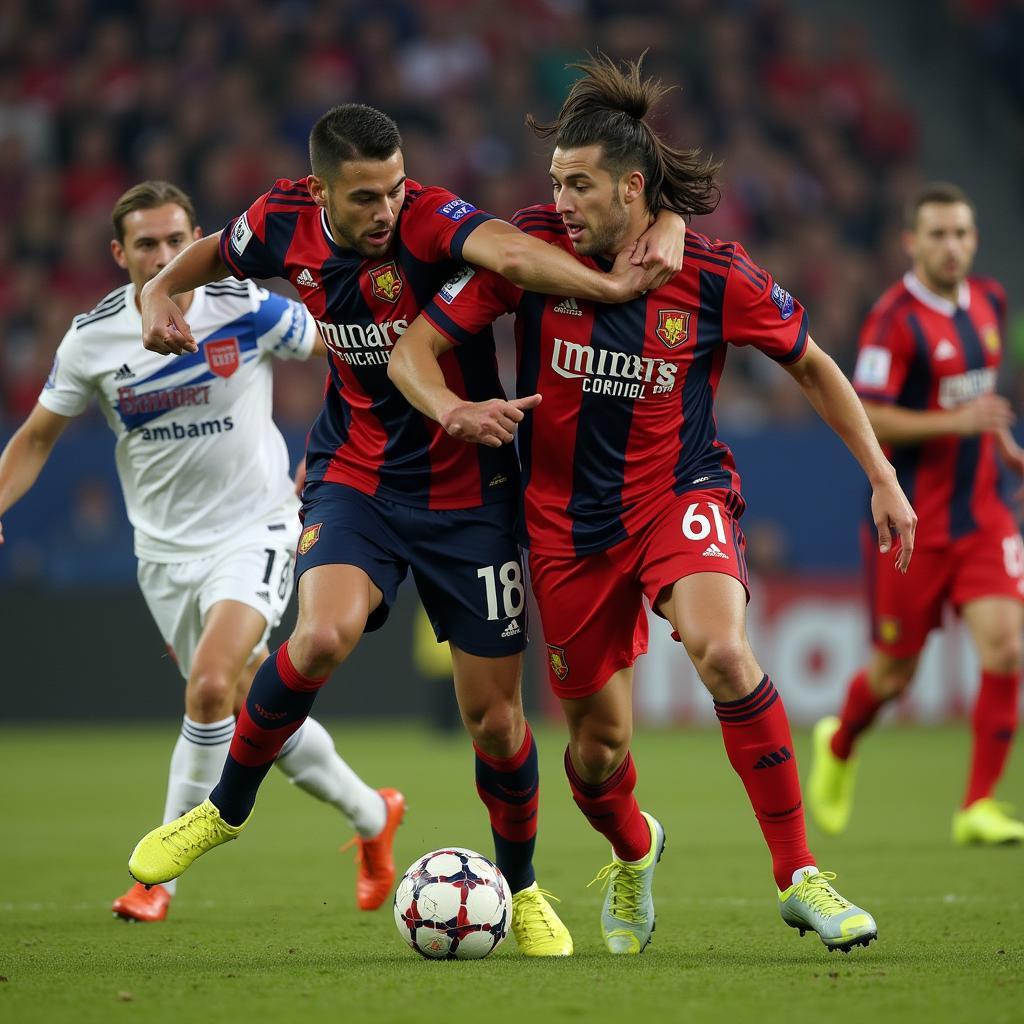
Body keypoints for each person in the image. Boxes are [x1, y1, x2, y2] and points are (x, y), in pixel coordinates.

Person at [387, 55, 917, 954]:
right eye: (556, 181)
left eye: (581, 184)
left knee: (721, 648)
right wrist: (454, 406)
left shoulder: (709, 273)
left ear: (633, 188)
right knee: (596, 752)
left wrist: (881, 474)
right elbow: (421, 344)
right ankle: (636, 851)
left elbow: (814, 364)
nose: (562, 200)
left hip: (679, 494)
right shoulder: (527, 252)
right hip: (560, 530)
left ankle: (800, 876)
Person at [127, 105, 683, 956]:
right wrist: (163, 287)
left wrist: (612, 284)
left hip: (474, 500)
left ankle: (522, 887)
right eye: (363, 198)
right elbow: (211, 254)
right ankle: (223, 810)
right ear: (319, 192)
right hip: (359, 478)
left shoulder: (427, 218)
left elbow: (509, 250)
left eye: (392, 188)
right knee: (320, 635)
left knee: (496, 723)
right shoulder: (280, 222)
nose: (385, 209)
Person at [0, 181, 402, 923]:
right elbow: (35, 439)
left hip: (259, 528)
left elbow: (349, 347)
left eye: (175, 239)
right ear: (119, 253)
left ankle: (159, 874)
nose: (163, 255)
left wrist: (338, 448)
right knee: (250, 705)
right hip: (162, 555)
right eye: (146, 244)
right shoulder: (94, 339)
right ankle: (374, 815)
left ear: (197, 239)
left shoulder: (241, 307)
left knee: (213, 687)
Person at [808, 182, 1024, 844]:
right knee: (895, 673)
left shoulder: (990, 302)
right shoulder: (893, 320)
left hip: (985, 512)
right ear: (912, 242)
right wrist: (955, 421)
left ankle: (977, 806)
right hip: (914, 522)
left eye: (961, 233)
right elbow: (867, 411)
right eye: (937, 235)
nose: (951, 246)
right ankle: (840, 744)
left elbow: (981, 401)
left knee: (1007, 647)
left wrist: (1003, 444)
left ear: (975, 239)